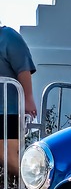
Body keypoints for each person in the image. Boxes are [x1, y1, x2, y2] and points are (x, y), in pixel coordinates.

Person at [0, 22, 38, 177]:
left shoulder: (8, 36)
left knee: (8, 155)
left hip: (8, 110)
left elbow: (23, 67)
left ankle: (33, 185)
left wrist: (28, 98)